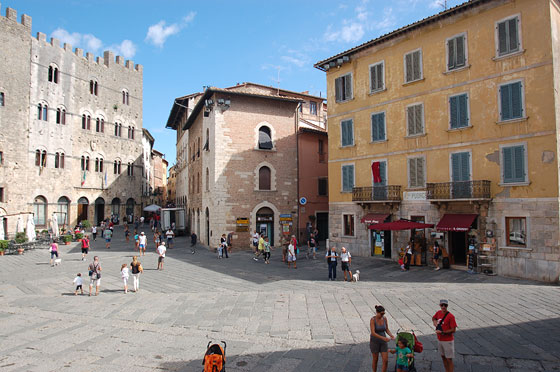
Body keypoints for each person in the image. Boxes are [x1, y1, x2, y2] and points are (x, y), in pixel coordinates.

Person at [432, 299, 457, 372]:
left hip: (447, 341)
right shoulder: (438, 313)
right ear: (440, 305)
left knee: (449, 359)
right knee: (443, 357)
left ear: (447, 306)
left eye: (445, 305)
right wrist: (435, 322)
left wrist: (443, 332)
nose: (443, 307)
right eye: (442, 305)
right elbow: (433, 318)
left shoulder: (451, 316)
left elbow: (453, 330)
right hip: (440, 339)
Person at [370, 305, 395, 372]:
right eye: (381, 314)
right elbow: (373, 332)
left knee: (385, 360)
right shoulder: (373, 320)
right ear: (377, 312)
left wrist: (391, 335)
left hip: (383, 342)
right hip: (374, 341)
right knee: (375, 360)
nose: (382, 315)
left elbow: (386, 329)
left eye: (383, 314)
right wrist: (383, 338)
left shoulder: (384, 318)